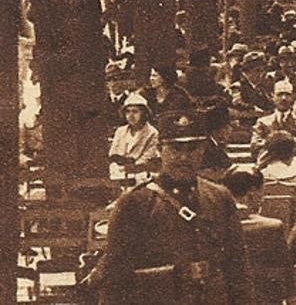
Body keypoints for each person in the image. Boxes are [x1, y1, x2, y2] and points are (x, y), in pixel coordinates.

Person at [93, 111, 254, 303]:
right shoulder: (135, 203)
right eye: (176, 149)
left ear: (203, 150)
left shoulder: (220, 198)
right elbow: (114, 278)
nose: (184, 157)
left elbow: (238, 269)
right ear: (159, 150)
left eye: (192, 148)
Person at [222, 167, 293, 304]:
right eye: (262, 192)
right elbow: (286, 275)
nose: (263, 198)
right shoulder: (273, 227)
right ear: (252, 194)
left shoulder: (213, 226)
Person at [250, 78, 296, 156]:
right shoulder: (263, 122)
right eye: (280, 94)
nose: (283, 98)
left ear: (293, 97)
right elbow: (254, 145)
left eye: (287, 94)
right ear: (273, 96)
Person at [108, 92, 161, 171]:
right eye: (128, 111)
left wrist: (129, 168)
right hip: (117, 171)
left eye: (135, 112)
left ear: (144, 113)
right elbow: (113, 154)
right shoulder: (120, 131)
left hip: (140, 172)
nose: (131, 115)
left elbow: (147, 158)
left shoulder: (152, 133)